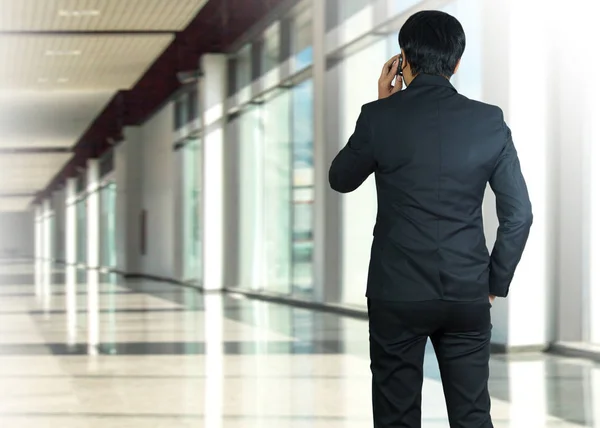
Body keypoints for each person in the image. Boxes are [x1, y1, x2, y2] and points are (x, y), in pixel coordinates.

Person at [328, 10, 533, 428]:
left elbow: (341, 179)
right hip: (466, 292)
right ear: (457, 62)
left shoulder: (378, 117)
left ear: (403, 59)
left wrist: (384, 104)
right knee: (473, 414)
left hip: (396, 292)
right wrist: (495, 282)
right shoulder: (489, 121)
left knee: (396, 416)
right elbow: (519, 215)